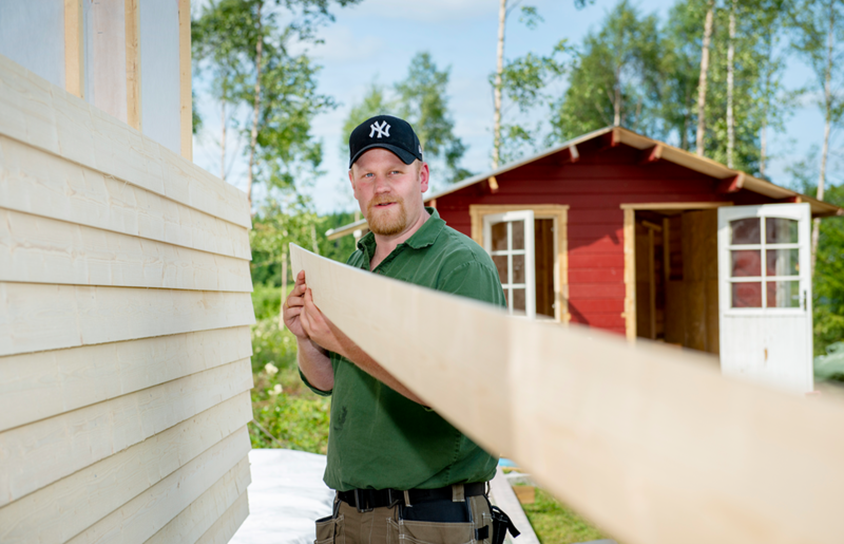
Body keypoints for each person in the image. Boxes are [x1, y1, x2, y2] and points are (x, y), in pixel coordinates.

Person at [282, 115, 514, 544]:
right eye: (368, 175)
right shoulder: (352, 267)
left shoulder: (460, 265)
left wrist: (343, 343)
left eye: (395, 172)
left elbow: (455, 392)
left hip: (430, 520)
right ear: (353, 184)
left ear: (421, 177)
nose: (381, 186)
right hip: (348, 518)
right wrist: (306, 338)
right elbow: (329, 381)